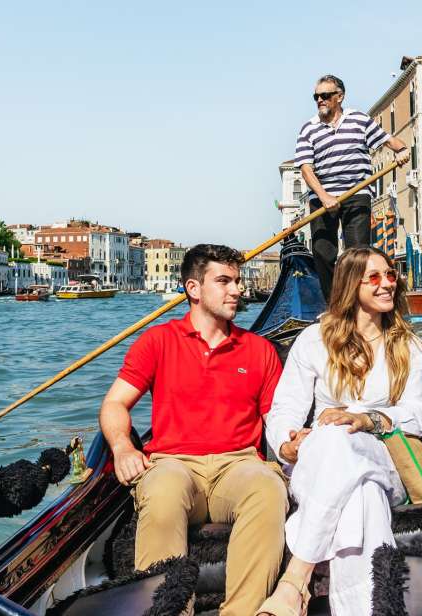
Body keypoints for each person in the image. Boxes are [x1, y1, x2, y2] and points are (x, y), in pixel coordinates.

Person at [98, 244, 288, 616]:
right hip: (175, 462)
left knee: (268, 487)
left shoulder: (259, 350)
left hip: (238, 464)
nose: (237, 290)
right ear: (193, 288)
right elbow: (114, 404)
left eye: (237, 281)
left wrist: (294, 445)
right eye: (224, 281)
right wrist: (122, 447)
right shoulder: (157, 341)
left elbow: (278, 421)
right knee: (163, 488)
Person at [257, 247, 422, 616]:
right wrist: (287, 442)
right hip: (319, 461)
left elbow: (418, 415)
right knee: (358, 490)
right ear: (351, 286)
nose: (387, 283)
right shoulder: (313, 340)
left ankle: (295, 581)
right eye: (375, 277)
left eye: (391, 274)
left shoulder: (410, 347)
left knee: (345, 441)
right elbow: (284, 408)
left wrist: (366, 419)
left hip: (386, 461)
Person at [295, 74, 411, 298]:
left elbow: (390, 141)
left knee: (357, 254)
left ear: (340, 96)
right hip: (321, 198)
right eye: (316, 96)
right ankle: (333, 305)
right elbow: (306, 169)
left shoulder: (358, 119)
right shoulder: (308, 129)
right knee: (322, 253)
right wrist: (324, 196)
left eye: (325, 95)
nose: (320, 100)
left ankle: (356, 301)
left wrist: (403, 150)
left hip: (357, 194)